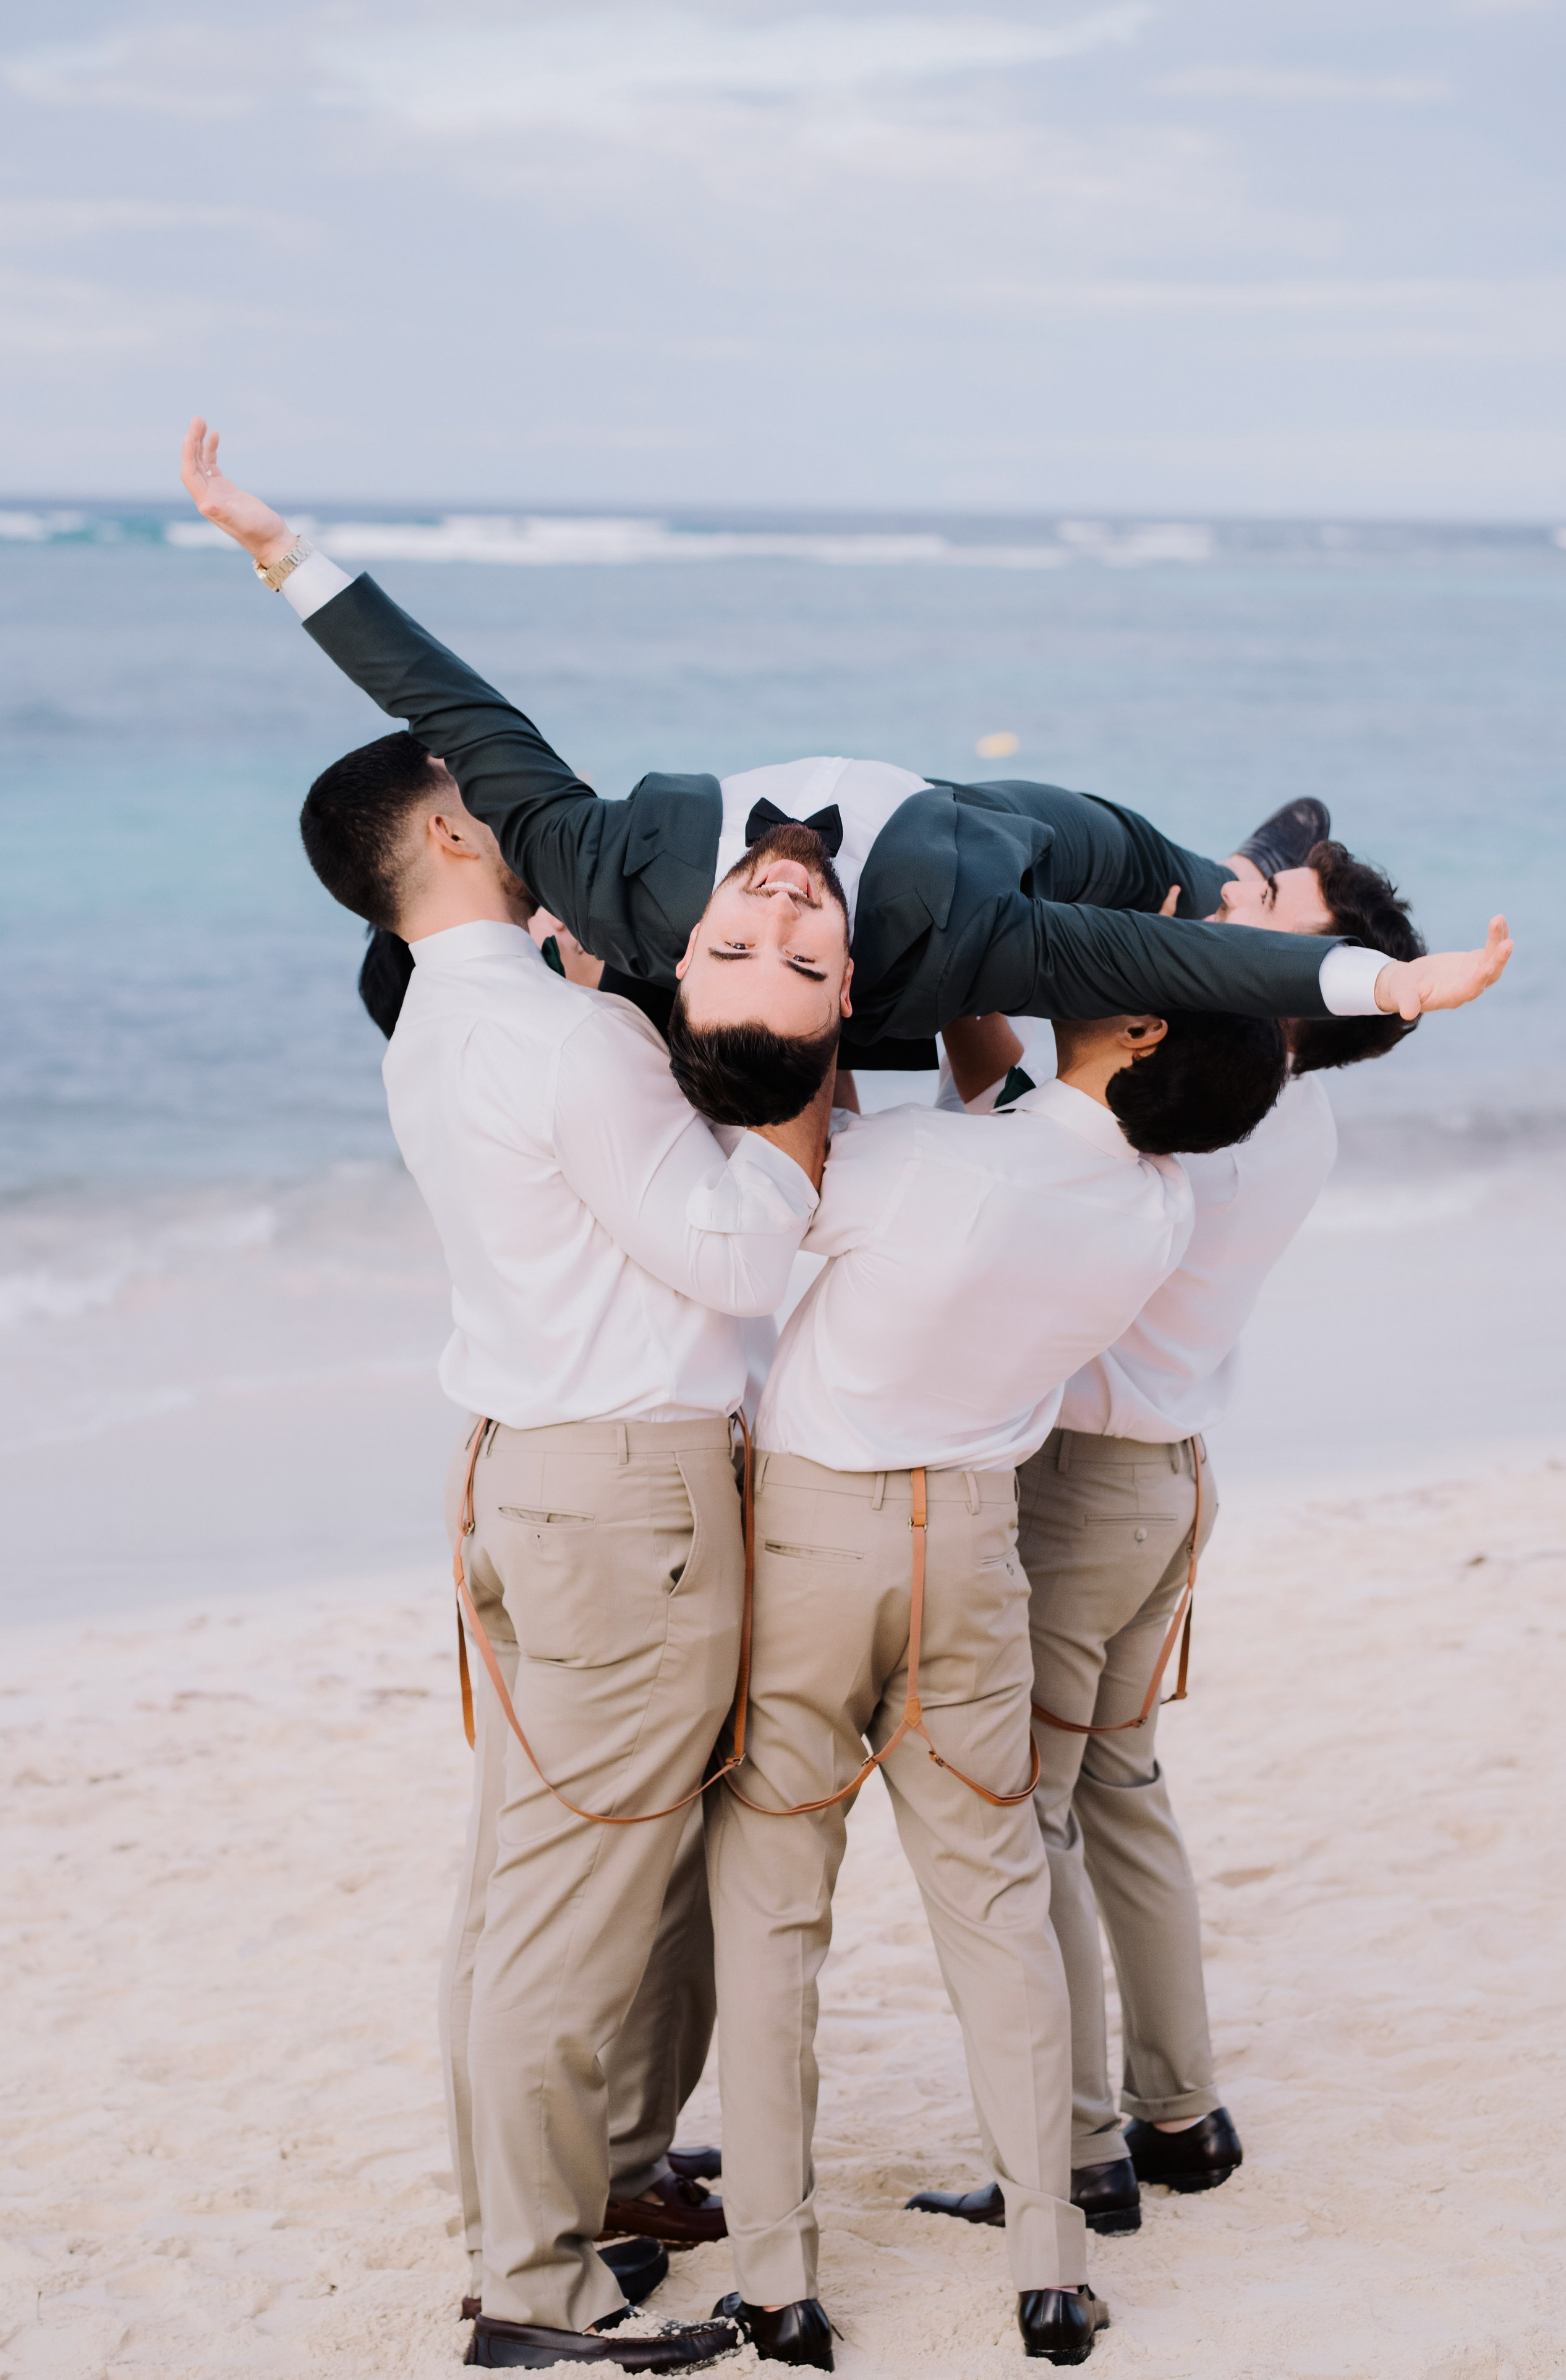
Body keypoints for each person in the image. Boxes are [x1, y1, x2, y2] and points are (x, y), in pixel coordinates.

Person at [178, 421, 1513, 1129]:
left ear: (682, 950)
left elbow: (446, 701)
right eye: (801, 954)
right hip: (1074, 853)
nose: (777, 906)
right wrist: (1390, 983)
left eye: (735, 944)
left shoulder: (607, 870)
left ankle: (1259, 886)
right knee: (1192, 919)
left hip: (739, 929)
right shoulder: (974, 944)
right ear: (850, 977)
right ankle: (1252, 889)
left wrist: (277, 551)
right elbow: (1182, 960)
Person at [297, 726, 825, 2371]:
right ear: (457, 833)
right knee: (568, 1904)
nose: (542, 807)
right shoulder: (566, 1036)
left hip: (526, 1478)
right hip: (626, 1495)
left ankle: (578, 2193)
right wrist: (795, 1105)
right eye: (499, 794)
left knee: (528, 1883)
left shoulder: (436, 1022)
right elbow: (735, 1261)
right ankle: (534, 2285)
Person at [702, 999, 1287, 2369]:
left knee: (776, 1903)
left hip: (816, 1536)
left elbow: (783, 1176)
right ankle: (1052, 2268)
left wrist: (813, 1013)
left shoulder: (931, 1161)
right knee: (998, 1900)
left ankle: (778, 2280)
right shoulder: (1155, 1212)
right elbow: (1006, 1132)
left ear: (1138, 1032)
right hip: (974, 1542)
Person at [905, 1032, 1343, 2240]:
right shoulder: (1293, 1112)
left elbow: (1014, 1157)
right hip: (1171, 1473)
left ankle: (1077, 2144)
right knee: (1124, 1787)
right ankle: (1181, 2112)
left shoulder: (1181, 1126)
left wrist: (975, 1021)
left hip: (1080, 1491)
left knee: (1031, 1811)